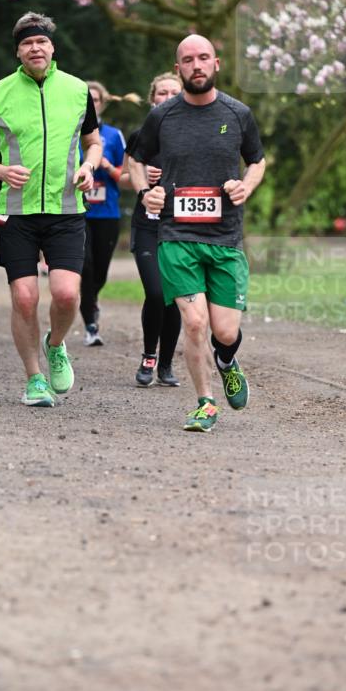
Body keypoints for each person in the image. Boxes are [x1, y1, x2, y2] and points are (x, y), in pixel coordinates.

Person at [0, 11, 101, 407]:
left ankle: (55, 345)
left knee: (66, 295)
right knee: (25, 298)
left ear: (52, 47)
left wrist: (90, 166)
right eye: (27, 43)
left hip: (66, 208)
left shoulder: (77, 91)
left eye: (41, 41)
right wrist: (1, 170)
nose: (35, 48)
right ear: (18, 52)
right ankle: (34, 378)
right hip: (16, 211)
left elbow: (93, 142)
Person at [129, 34, 265, 432]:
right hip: (177, 236)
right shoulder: (162, 116)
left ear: (216, 63)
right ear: (179, 69)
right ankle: (205, 403)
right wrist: (145, 193)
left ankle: (226, 360)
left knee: (225, 331)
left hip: (224, 238)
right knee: (194, 324)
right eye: (188, 60)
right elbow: (135, 159)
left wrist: (247, 186)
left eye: (203, 57)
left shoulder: (238, 113)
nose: (197, 65)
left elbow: (257, 161)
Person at [123, 72, 183, 386]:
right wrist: (145, 178)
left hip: (180, 228)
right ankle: (149, 355)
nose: (168, 97)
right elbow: (127, 170)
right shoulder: (141, 135)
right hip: (147, 226)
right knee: (157, 292)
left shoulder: (194, 135)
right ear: (152, 99)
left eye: (175, 91)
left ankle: (167, 364)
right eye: (162, 92)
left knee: (174, 296)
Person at [80, 81, 126, 347]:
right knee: (85, 266)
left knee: (100, 273)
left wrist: (107, 166)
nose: (91, 103)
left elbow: (127, 176)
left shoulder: (114, 135)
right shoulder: (69, 133)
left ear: (103, 103)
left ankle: (89, 298)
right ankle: (90, 324)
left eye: (95, 99)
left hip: (107, 213)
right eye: (87, 98)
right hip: (76, 213)